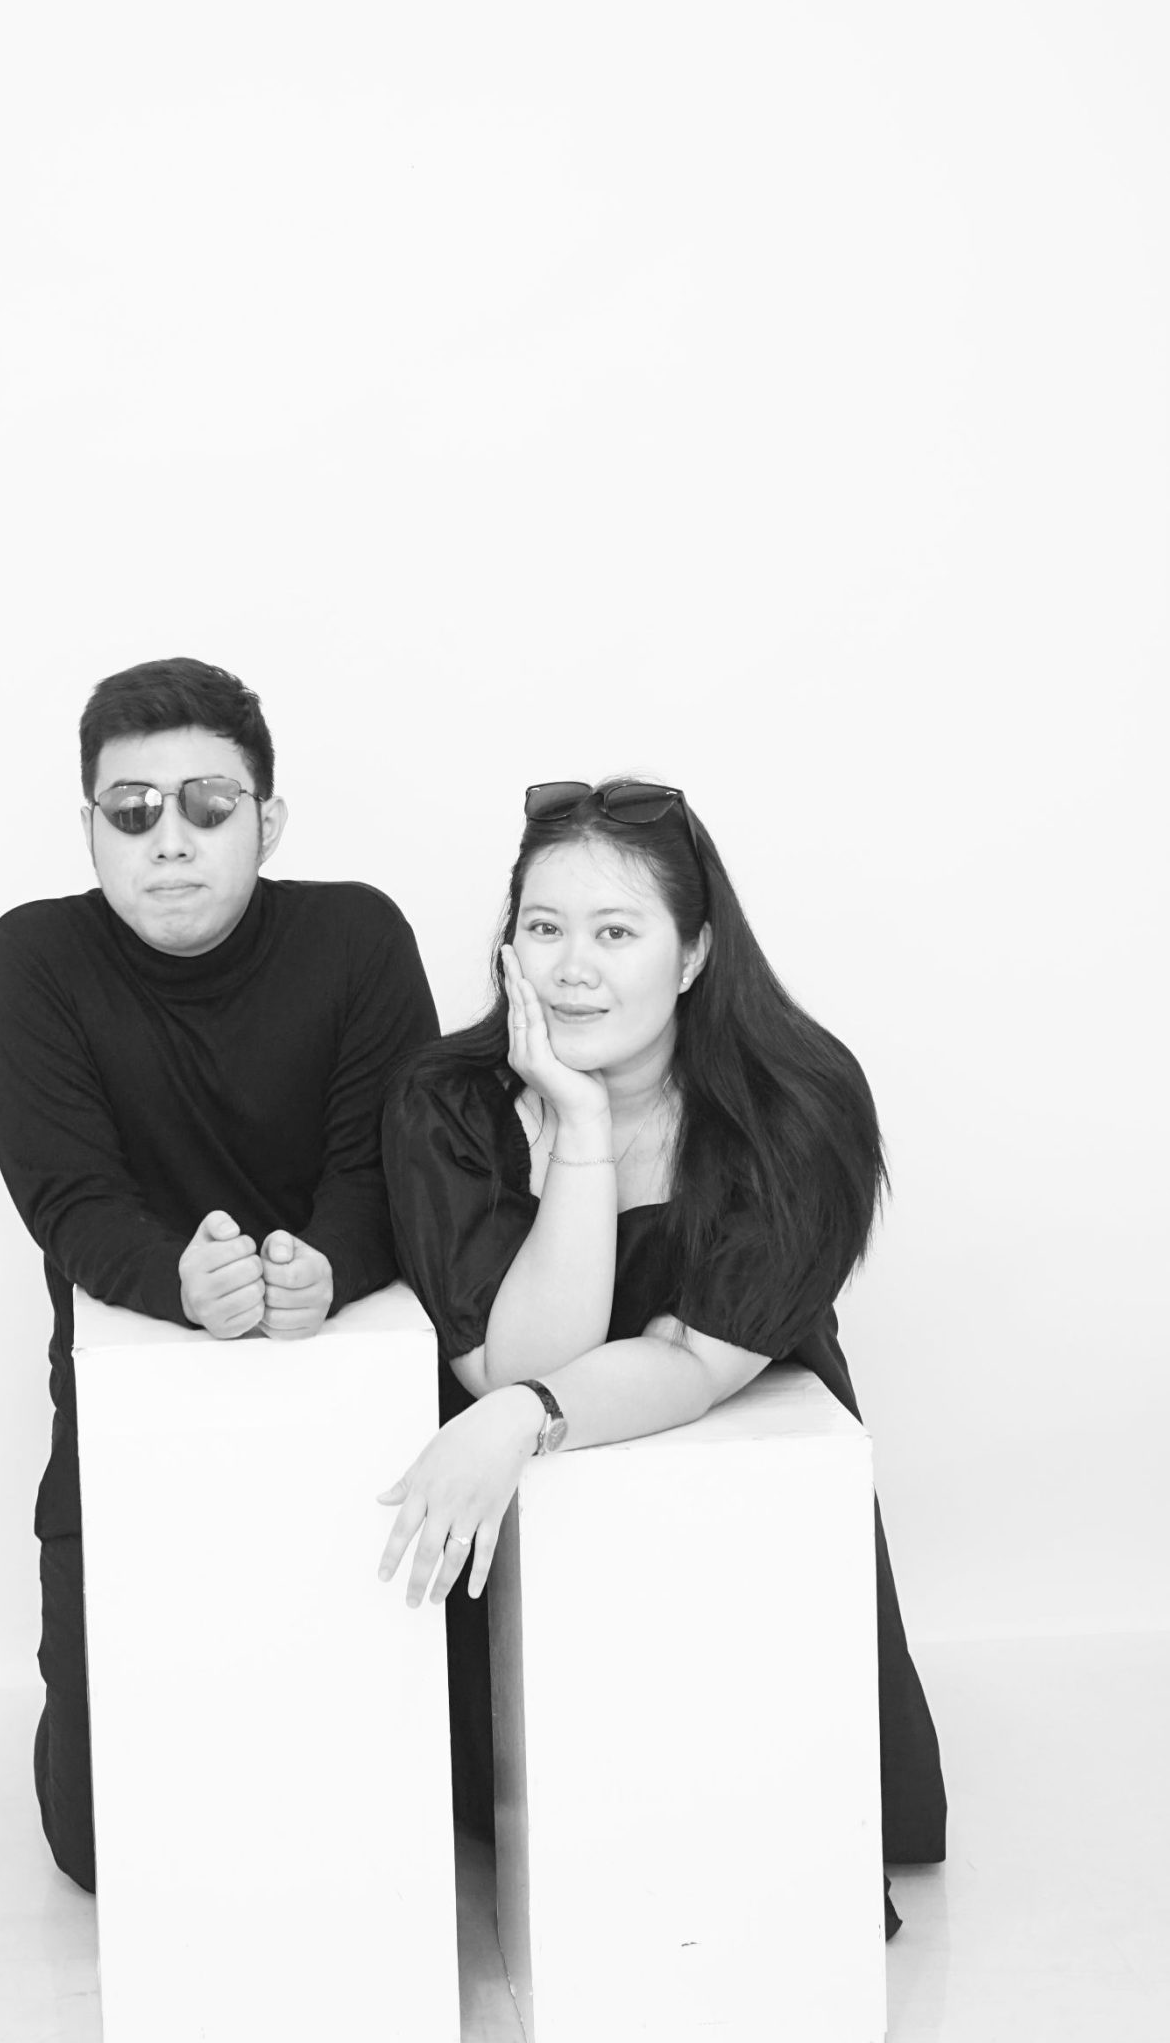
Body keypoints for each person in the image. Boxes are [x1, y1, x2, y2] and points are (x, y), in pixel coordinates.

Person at [376, 777, 945, 1936]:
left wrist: (520, 1414)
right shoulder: (448, 1102)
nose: (570, 968)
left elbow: (688, 1363)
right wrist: (580, 1131)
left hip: (730, 1506)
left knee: (740, 1817)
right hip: (531, 1533)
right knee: (568, 1834)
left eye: (615, 932)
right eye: (543, 927)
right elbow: (517, 1360)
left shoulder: (796, 1102)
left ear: (693, 953)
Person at [0, 656, 438, 1891]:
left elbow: (393, 1166)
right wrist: (179, 1284)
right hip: (129, 1420)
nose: (168, 840)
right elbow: (66, 1196)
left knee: (411, 1802)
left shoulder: (357, 936)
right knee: (101, 1849)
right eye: (132, 810)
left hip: (354, 1411)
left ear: (266, 821)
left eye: (207, 805)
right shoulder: (33, 958)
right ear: (89, 826)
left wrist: (326, 1268)